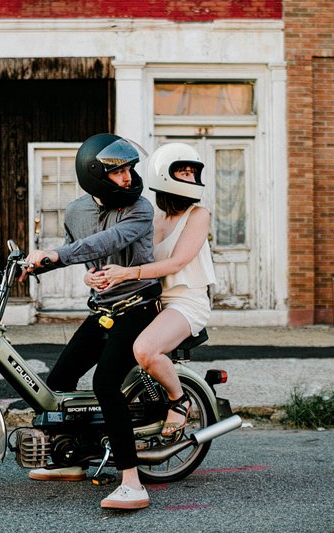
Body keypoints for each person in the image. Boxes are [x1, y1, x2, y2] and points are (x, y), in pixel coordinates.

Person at [21, 133, 161, 510]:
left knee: (104, 383)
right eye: (119, 172)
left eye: (131, 169)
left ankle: (132, 483)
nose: (129, 177)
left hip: (139, 307)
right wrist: (86, 276)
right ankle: (78, 459)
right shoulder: (75, 212)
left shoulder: (140, 209)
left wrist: (53, 255)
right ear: (95, 174)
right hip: (103, 311)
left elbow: (106, 243)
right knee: (57, 382)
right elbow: (89, 260)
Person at [85, 142, 217, 438]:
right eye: (183, 172)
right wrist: (92, 278)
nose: (190, 179)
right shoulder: (152, 217)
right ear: (164, 175)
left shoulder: (198, 215)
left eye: (193, 173)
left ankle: (179, 401)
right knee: (110, 365)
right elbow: (117, 255)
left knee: (145, 350)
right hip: (150, 303)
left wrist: (128, 274)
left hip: (185, 303)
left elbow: (177, 262)